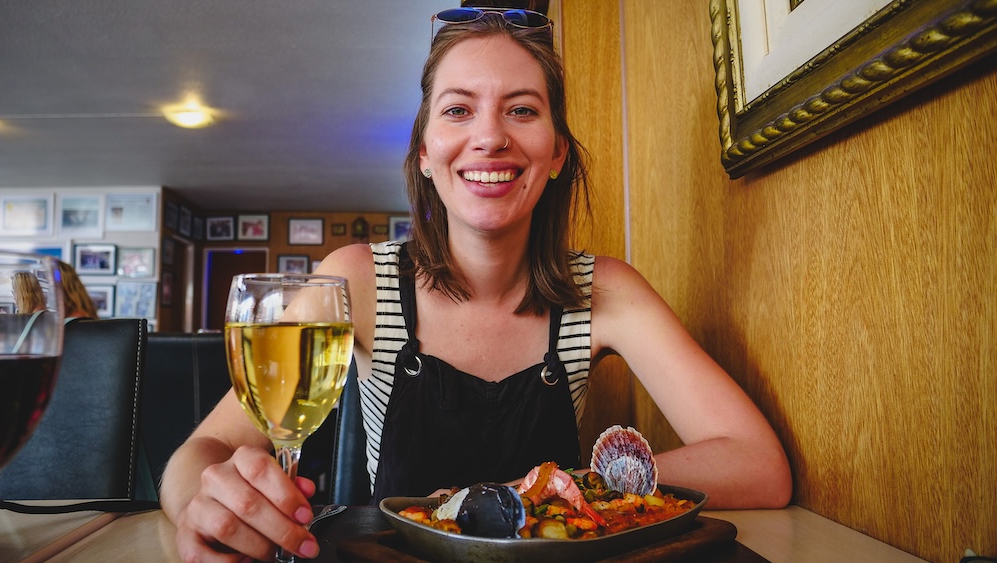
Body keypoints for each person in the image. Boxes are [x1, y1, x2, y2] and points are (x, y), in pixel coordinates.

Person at [160, 8, 792, 561]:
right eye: (458, 109)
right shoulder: (355, 279)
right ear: (426, 155)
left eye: (522, 110)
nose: (490, 137)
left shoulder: (603, 290)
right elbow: (202, 451)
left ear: (557, 154)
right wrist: (205, 499)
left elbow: (759, 466)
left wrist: (536, 492)